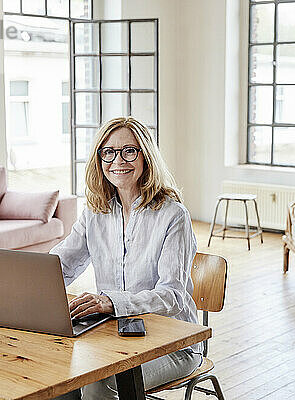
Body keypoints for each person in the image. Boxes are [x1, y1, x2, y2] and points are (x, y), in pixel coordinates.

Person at [50, 117, 202, 399]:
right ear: (99, 158)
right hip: (113, 338)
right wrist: (23, 281)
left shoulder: (173, 215)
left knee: (98, 383)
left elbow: (172, 296)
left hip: (172, 344)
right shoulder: (95, 212)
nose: (118, 160)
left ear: (145, 156)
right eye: (108, 151)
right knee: (56, 376)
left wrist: (112, 302)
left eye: (129, 151)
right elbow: (61, 265)